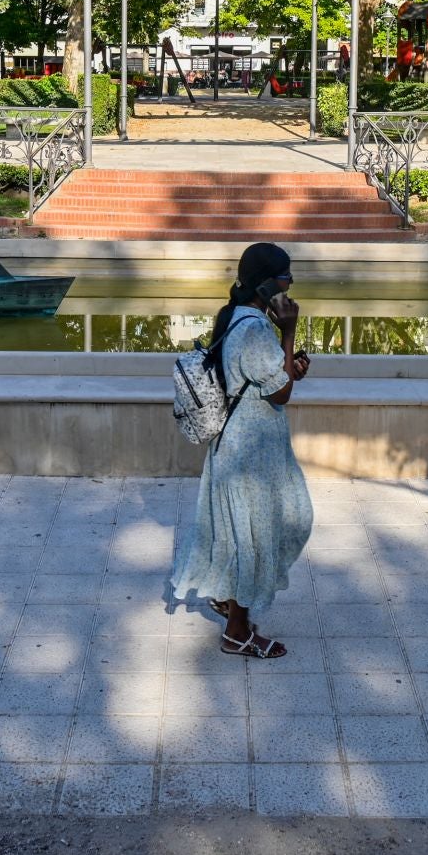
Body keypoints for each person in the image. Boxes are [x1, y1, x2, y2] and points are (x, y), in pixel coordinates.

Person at [170, 242, 313, 659]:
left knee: (254, 532)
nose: (291, 283)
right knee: (260, 535)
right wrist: (289, 332)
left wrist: (290, 365)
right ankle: (236, 632)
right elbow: (281, 392)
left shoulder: (237, 316)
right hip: (250, 452)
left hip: (247, 445)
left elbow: (271, 380)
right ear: (268, 284)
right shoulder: (255, 328)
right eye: (286, 276)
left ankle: (230, 598)